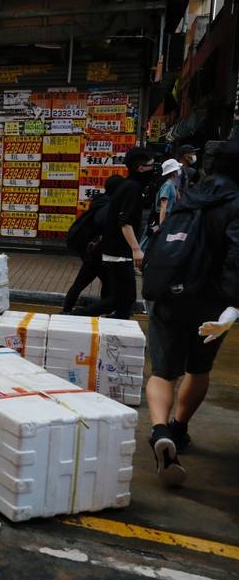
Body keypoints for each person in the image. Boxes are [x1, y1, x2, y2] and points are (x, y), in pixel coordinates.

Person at [144, 140, 239, 486]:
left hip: (170, 294)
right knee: (198, 368)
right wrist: (232, 306)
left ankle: (158, 431)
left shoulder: (190, 195)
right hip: (211, 304)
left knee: (163, 372)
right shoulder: (235, 204)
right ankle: (179, 428)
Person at [73, 147, 155, 320]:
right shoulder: (132, 189)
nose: (154, 169)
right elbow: (124, 222)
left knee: (125, 301)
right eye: (151, 165)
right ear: (141, 168)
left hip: (116, 252)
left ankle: (118, 334)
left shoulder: (129, 186)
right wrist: (136, 250)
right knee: (118, 300)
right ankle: (74, 316)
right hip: (119, 253)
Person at [62, 175, 121, 314]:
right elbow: (102, 225)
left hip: (95, 253)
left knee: (103, 283)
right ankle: (68, 311)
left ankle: (69, 310)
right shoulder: (108, 206)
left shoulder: (100, 202)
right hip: (96, 254)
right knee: (85, 282)